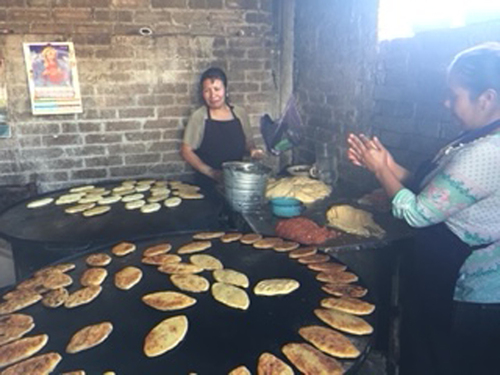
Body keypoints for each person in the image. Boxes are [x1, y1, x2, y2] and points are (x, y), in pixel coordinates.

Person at [347, 42, 500, 375]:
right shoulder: (473, 137)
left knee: (443, 362)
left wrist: (379, 171)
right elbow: (433, 187)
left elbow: (418, 212)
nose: (446, 103)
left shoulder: (489, 152)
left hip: (469, 291)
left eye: (454, 95)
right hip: (441, 275)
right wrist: (390, 164)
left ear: (486, 98)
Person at [181, 67, 264, 191]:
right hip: (207, 185)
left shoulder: (240, 113)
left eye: (217, 89)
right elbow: (186, 151)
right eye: (207, 91)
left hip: (237, 183)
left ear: (226, 90)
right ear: (202, 94)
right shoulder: (199, 117)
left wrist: (253, 150)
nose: (213, 95)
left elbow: (248, 142)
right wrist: (212, 173)